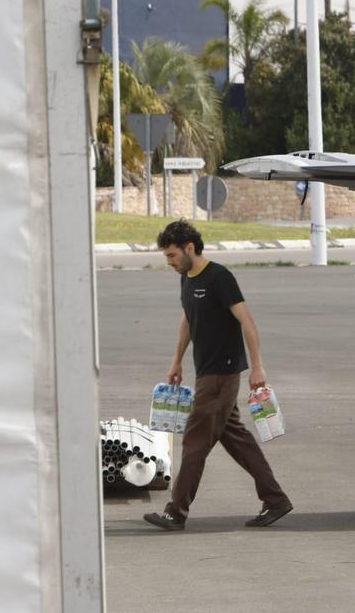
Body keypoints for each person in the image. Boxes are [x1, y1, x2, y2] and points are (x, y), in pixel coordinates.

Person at [143, 219, 292, 531]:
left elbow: (247, 321)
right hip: (205, 371)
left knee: (195, 442)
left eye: (171, 255)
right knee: (236, 438)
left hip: (221, 373)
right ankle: (275, 499)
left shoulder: (219, 277)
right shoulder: (186, 278)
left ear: (189, 248)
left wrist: (258, 367)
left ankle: (175, 512)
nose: (169, 262)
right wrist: (176, 361)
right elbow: (188, 319)